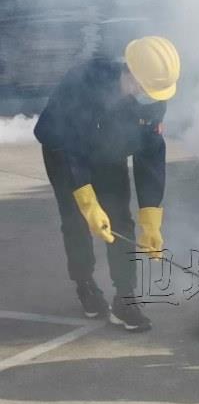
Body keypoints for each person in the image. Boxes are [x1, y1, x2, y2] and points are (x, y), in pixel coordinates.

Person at [34, 36, 181, 332]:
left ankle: (125, 299)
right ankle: (84, 283)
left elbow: (150, 155)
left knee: (121, 220)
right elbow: (71, 144)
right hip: (64, 149)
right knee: (76, 220)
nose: (150, 97)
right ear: (131, 74)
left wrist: (151, 219)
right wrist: (87, 203)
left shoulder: (153, 101)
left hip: (108, 152)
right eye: (145, 88)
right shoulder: (84, 83)